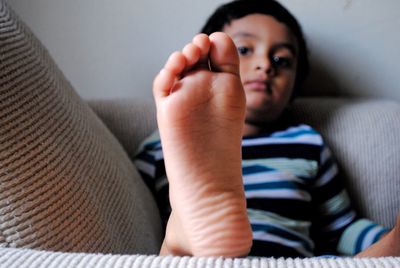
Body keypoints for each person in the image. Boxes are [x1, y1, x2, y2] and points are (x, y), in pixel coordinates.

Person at [135, 0, 400, 258]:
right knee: (174, 252)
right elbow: (135, 217)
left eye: (282, 60)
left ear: (295, 86)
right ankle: (181, 238)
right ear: (205, 64)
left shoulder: (305, 143)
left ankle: (182, 242)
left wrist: (387, 239)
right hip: (205, 253)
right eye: (244, 50)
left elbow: (341, 229)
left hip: (290, 262)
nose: (265, 64)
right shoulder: (164, 144)